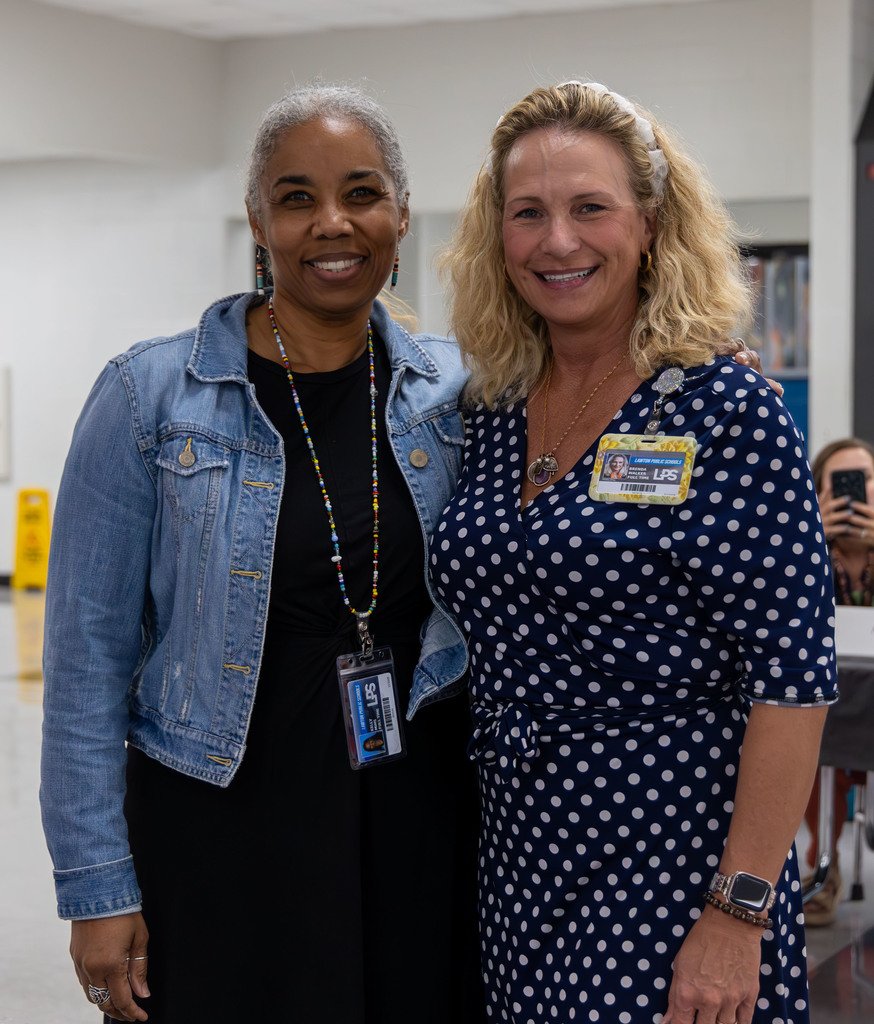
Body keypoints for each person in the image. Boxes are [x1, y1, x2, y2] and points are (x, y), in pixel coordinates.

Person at [39, 82, 485, 1023]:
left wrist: (689, 360)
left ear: (402, 216)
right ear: (257, 220)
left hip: (420, 821)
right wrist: (96, 889)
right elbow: (85, 665)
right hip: (218, 826)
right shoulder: (147, 399)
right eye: (296, 198)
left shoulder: (461, 393)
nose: (333, 223)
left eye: (362, 194)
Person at [434, 81, 836, 1024]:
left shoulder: (722, 409)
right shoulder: (488, 408)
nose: (558, 241)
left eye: (590, 208)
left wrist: (738, 916)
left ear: (651, 223)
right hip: (518, 862)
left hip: (677, 866)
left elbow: (793, 681)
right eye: (527, 213)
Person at [801, 437, 874, 925]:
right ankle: (822, 867)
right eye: (842, 482)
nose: (856, 492)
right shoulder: (799, 546)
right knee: (800, 752)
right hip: (823, 700)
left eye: (866, 480)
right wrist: (809, 538)